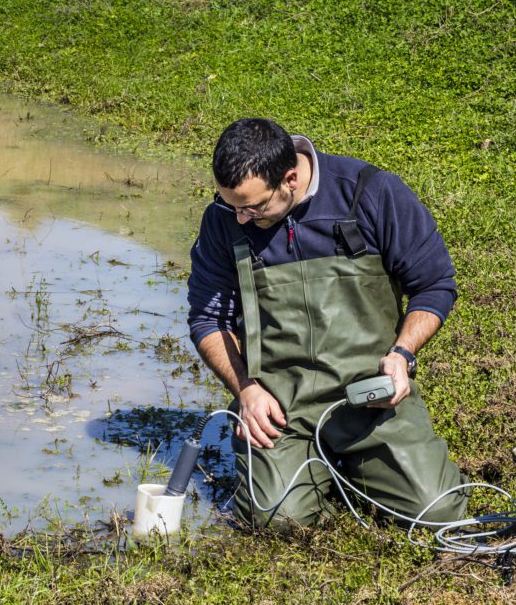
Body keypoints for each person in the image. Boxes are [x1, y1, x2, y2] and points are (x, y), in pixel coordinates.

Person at [186, 118, 467, 530]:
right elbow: (209, 318)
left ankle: (352, 468)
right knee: (277, 521)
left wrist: (402, 355)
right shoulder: (223, 219)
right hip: (281, 405)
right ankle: (311, 469)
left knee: (438, 514)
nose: (241, 219)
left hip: (368, 398)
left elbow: (435, 285)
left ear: (291, 178)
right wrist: (246, 389)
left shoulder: (370, 191)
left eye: (254, 207)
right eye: (233, 205)